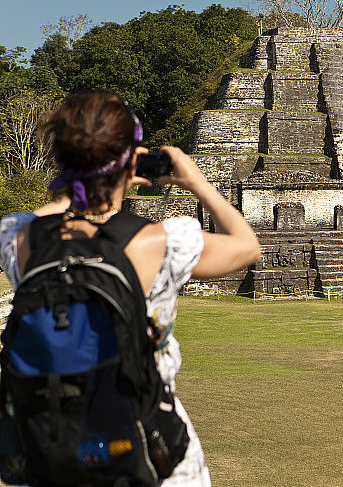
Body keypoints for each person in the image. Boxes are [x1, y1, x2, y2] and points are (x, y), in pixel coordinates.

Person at [0, 90, 262, 486]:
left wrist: (77, 183)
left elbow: (53, 214)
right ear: (131, 160)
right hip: (147, 445)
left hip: (53, 445)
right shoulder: (161, 242)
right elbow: (247, 246)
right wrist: (196, 182)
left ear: (60, 158)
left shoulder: (18, 238)